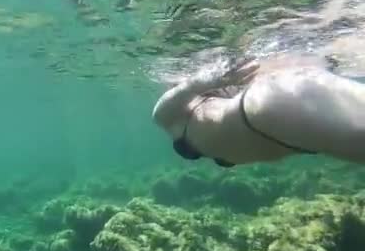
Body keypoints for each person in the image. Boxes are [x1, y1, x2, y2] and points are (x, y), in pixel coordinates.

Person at [151, 52, 365, 167]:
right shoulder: (200, 106)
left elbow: (182, 92)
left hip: (264, 107)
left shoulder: (173, 119)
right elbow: (189, 87)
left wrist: (206, 80)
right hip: (276, 113)